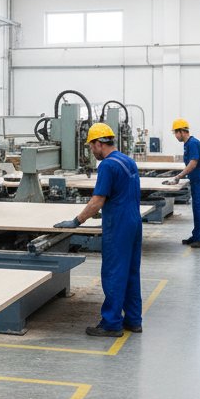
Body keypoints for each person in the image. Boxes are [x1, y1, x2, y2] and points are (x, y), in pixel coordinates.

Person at [54, 122, 143, 337]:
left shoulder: (107, 165)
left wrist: (76, 221)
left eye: (90, 146)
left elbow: (97, 200)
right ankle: (133, 320)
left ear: (98, 143)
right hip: (134, 221)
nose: (91, 151)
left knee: (113, 272)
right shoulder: (128, 160)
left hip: (118, 225)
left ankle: (111, 323)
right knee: (131, 271)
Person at [168, 118, 200, 248]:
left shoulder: (193, 143)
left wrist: (179, 176)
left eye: (176, 133)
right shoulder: (187, 144)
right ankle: (197, 236)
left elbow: (193, 163)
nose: (175, 136)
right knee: (197, 210)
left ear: (182, 131)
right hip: (196, 182)